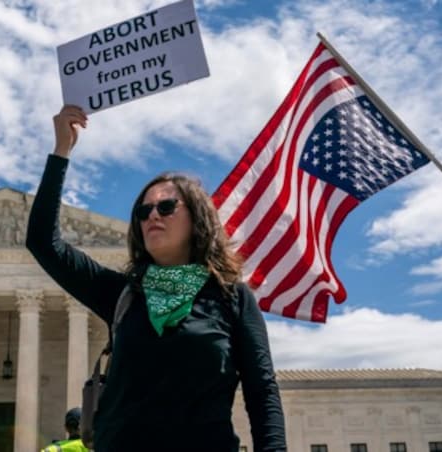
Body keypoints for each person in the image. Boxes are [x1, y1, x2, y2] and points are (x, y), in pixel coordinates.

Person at [26, 105, 287, 452]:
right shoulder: (123, 294)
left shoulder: (231, 299)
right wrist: (61, 152)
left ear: (197, 219)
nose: (152, 216)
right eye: (143, 211)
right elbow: (43, 243)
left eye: (166, 208)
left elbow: (262, 390)